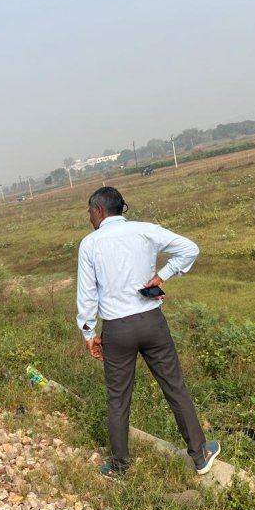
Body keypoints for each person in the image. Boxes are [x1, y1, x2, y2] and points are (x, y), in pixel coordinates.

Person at [76, 186, 220, 479]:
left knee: (118, 398)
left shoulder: (90, 244)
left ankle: (119, 465)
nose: (89, 217)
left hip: (117, 329)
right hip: (152, 323)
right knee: (175, 387)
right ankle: (200, 455)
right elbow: (190, 248)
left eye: (90, 211)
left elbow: (87, 294)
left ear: (100, 211)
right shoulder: (145, 231)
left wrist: (89, 333)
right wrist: (162, 276)